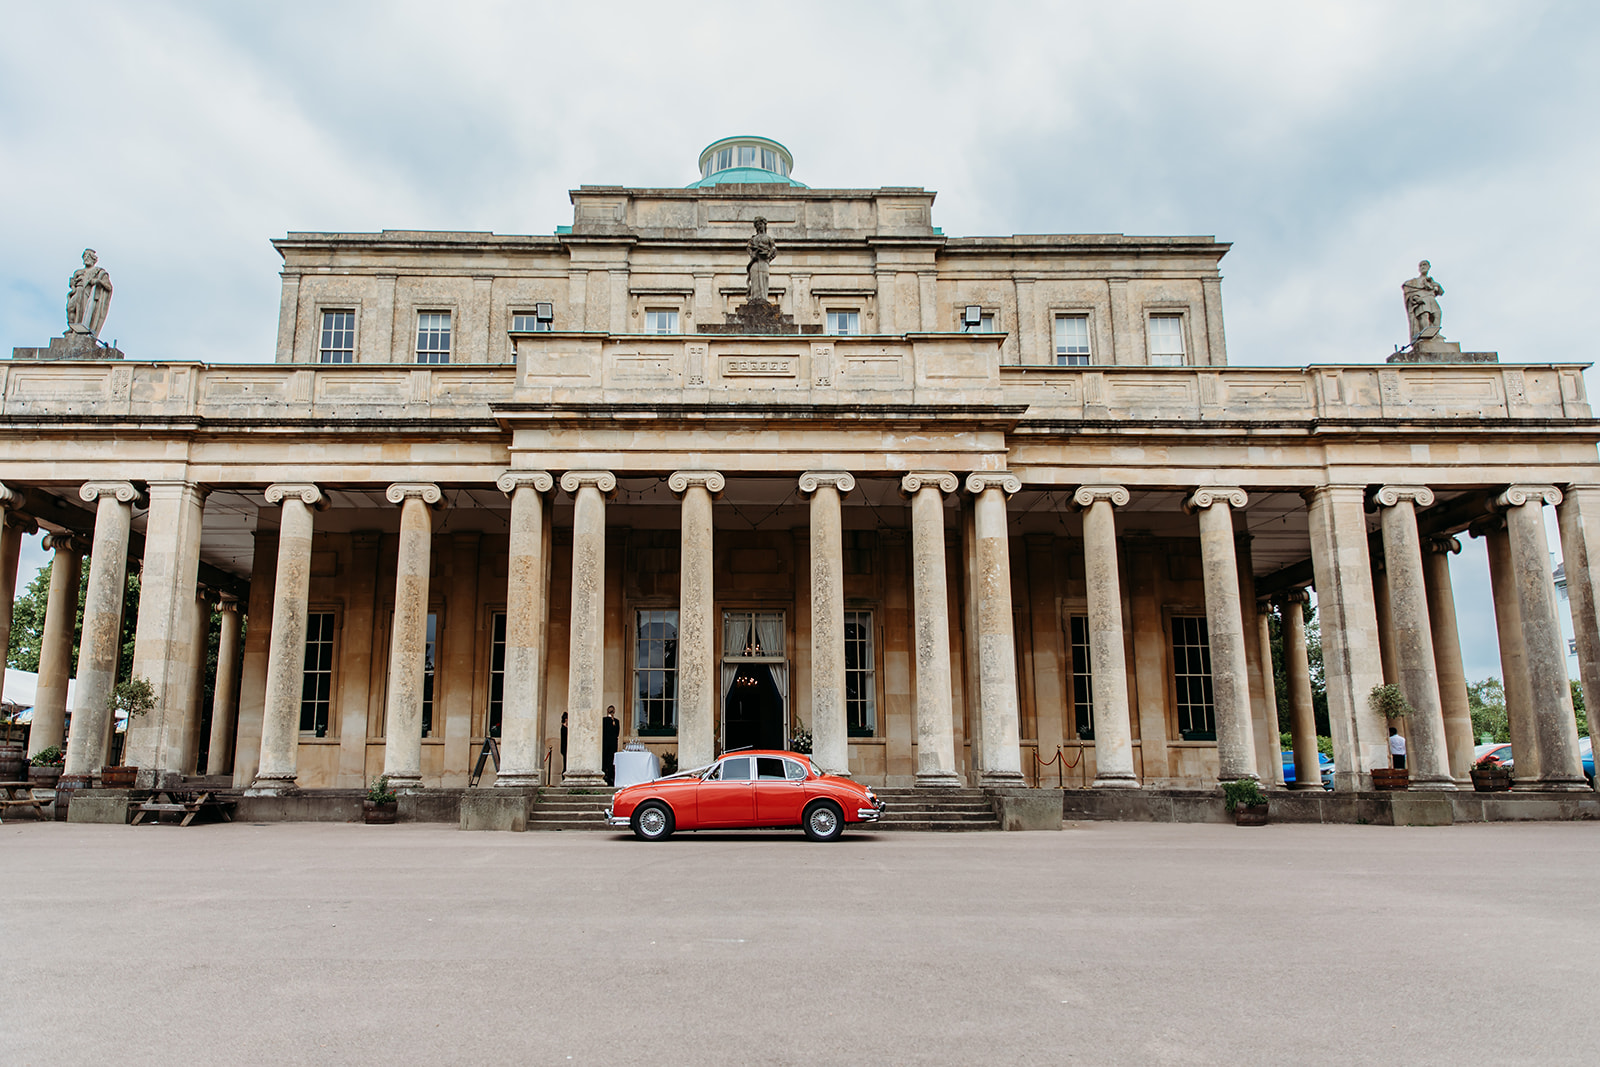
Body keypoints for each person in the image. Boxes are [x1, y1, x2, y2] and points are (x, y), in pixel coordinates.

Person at [602, 705, 621, 786]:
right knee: (608, 762)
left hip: (609, 744)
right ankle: (608, 778)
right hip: (609, 744)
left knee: (608, 762)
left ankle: (608, 778)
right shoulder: (611, 721)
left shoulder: (609, 720)